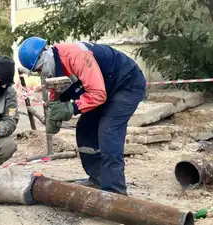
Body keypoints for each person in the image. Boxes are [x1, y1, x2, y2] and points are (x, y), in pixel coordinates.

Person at [17, 37, 146, 195]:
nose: (40, 74)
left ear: (45, 56)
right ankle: (97, 178)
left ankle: (115, 192)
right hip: (106, 87)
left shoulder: (76, 56)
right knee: (85, 128)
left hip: (126, 83)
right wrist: (54, 112)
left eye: (39, 69)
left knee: (109, 131)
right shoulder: (54, 64)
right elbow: (56, 92)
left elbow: (98, 94)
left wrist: (72, 108)